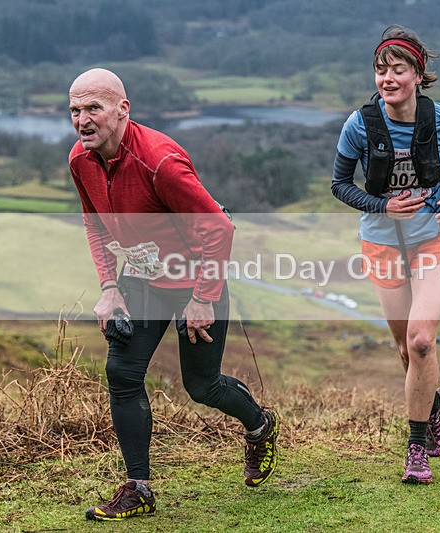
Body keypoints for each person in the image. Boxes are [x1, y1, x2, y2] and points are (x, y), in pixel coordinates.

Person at [68, 69, 279, 521]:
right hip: (141, 279)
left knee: (202, 386)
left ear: (123, 110)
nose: (82, 120)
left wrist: (202, 297)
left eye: (93, 109)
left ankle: (260, 426)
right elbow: (94, 222)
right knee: (122, 373)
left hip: (194, 279)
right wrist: (109, 287)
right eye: (75, 110)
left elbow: (220, 228)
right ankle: (138, 488)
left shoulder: (160, 161)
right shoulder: (80, 160)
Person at [331, 25, 440, 484]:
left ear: (418, 73)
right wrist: (383, 204)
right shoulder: (360, 125)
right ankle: (431, 408)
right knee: (403, 348)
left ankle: (415, 450)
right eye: (380, 69)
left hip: (434, 235)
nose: (387, 78)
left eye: (398, 69)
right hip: (382, 239)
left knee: (421, 340)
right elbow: (340, 184)